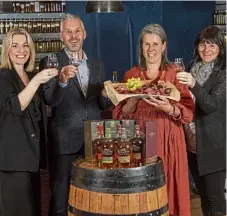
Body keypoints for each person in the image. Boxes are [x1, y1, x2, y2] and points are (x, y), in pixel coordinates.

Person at [113, 24, 194, 216]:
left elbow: (189, 112)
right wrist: (132, 99)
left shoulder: (174, 73)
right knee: (144, 191)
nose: (151, 49)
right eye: (146, 44)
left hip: (170, 137)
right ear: (141, 47)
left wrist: (170, 108)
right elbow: (121, 115)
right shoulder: (131, 75)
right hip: (141, 139)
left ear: (164, 46)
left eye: (155, 44)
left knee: (172, 185)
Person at [39, 14, 108, 216]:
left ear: (84, 34)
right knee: (61, 198)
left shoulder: (97, 64)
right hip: (64, 141)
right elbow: (50, 99)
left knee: (92, 195)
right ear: (61, 36)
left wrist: (107, 95)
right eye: (68, 32)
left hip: (94, 140)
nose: (73, 36)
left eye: (77, 31)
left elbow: (101, 104)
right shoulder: (50, 61)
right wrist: (62, 81)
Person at [0, 28, 58, 216]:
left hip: (32, 159)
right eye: (15, 46)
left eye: (25, 45)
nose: (21, 50)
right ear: (7, 50)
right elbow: (16, 106)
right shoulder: (4, 76)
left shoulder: (30, 75)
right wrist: (38, 81)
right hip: (12, 163)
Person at [176, 25, 226, 215]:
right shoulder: (191, 68)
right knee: (203, 196)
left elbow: (211, 105)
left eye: (212, 46)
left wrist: (194, 85)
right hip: (192, 144)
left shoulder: (223, 74)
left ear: (220, 49)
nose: (206, 50)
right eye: (203, 45)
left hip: (213, 145)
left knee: (216, 200)